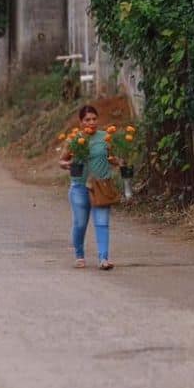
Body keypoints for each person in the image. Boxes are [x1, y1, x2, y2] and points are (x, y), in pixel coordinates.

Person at [58, 105, 118, 270]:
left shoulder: (105, 137)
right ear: (81, 122)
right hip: (80, 187)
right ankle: (79, 255)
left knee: (102, 222)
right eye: (87, 120)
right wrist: (68, 164)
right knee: (80, 223)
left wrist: (120, 162)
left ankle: (104, 258)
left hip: (101, 186)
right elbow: (61, 161)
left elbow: (112, 157)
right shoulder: (74, 140)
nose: (91, 123)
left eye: (94, 119)